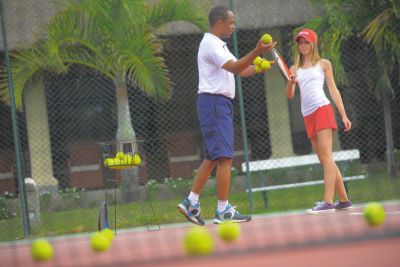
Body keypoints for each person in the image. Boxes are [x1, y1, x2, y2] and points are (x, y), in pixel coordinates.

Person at [177, 6, 276, 225]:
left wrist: (259, 68)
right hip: (214, 103)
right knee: (225, 157)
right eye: (231, 22)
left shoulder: (218, 45)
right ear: (219, 22)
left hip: (217, 104)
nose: (233, 26)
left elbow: (241, 69)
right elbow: (235, 67)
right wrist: (258, 50)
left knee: (213, 156)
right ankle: (222, 210)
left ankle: (191, 203)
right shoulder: (211, 45)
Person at [285, 29, 352, 214]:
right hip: (307, 115)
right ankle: (344, 200)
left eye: (306, 42)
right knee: (324, 159)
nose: (303, 45)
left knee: (327, 156)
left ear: (313, 44)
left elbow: (333, 90)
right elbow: (289, 95)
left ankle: (328, 202)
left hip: (323, 109)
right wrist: (291, 82)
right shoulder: (294, 69)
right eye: (300, 42)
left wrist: (344, 115)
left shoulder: (323, 64)